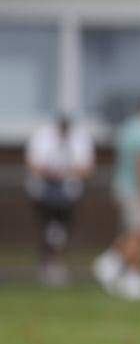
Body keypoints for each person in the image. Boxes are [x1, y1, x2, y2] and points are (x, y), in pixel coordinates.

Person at [92, 96, 140, 301]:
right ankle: (111, 264)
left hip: (123, 185)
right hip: (136, 189)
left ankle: (132, 276)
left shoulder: (128, 128)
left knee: (135, 231)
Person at [25, 115, 95, 285]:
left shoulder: (80, 139)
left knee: (61, 228)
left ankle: (56, 262)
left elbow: (87, 167)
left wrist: (67, 172)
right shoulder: (42, 137)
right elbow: (33, 163)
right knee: (48, 227)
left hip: (67, 192)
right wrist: (51, 172)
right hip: (44, 191)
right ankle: (48, 262)